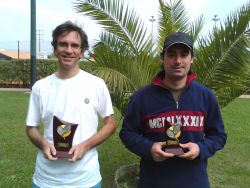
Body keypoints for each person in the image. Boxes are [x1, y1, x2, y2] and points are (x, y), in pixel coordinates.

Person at [119, 31, 227, 188]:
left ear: (192, 58)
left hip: (195, 182)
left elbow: (219, 136)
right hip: (153, 182)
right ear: (163, 58)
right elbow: (127, 133)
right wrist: (149, 148)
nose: (178, 61)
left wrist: (200, 148)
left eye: (184, 54)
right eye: (171, 54)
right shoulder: (142, 97)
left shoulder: (206, 96)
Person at [26, 21, 116, 188]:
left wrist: (85, 145)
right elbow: (31, 128)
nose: (69, 50)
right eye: (63, 44)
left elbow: (110, 123)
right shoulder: (40, 87)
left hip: (86, 180)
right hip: (46, 181)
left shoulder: (96, 84)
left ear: (81, 52)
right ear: (54, 49)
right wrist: (43, 143)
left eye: (75, 45)